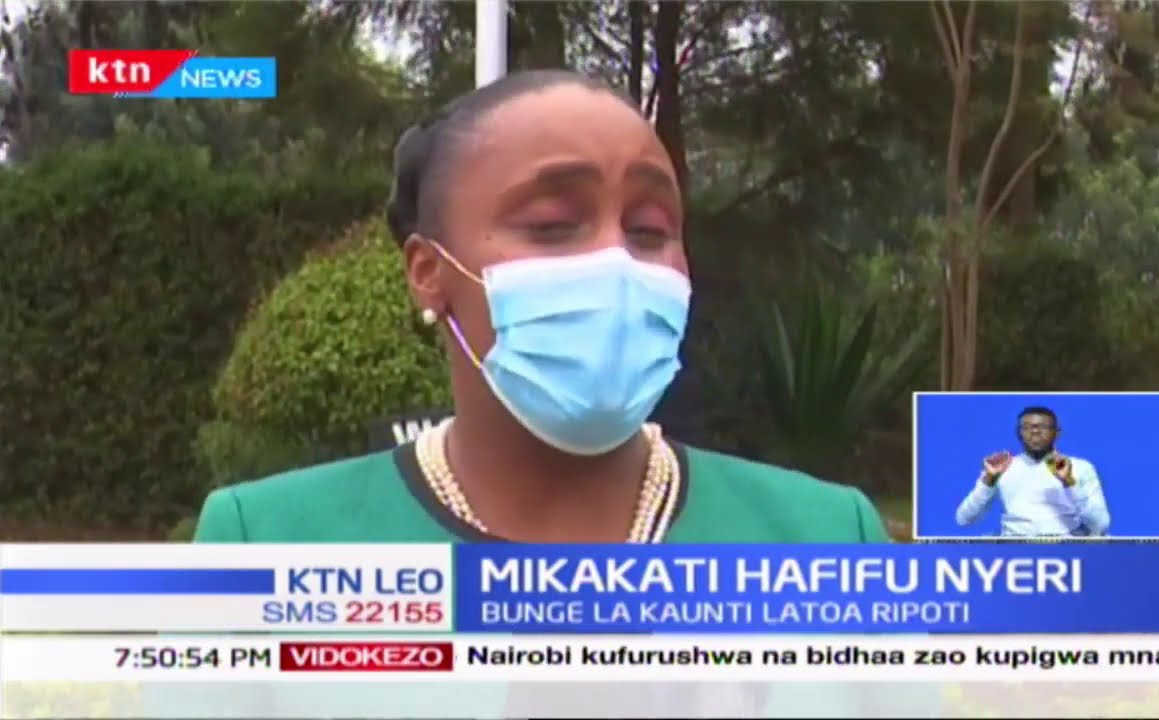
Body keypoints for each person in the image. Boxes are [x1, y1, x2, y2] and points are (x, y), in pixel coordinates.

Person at [192, 70, 889, 545]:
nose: (615, 262)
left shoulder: (828, 539)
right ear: (429, 273)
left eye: (648, 229)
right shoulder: (267, 541)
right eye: (553, 225)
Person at [954, 406, 1110, 537]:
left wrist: (1069, 482)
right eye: (1027, 427)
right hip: (1014, 548)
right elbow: (964, 519)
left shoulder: (1080, 467)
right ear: (1018, 433)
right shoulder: (1001, 468)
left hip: (1065, 549)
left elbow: (1100, 524)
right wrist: (988, 480)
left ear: (1057, 433)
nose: (1035, 432)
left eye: (1043, 427)